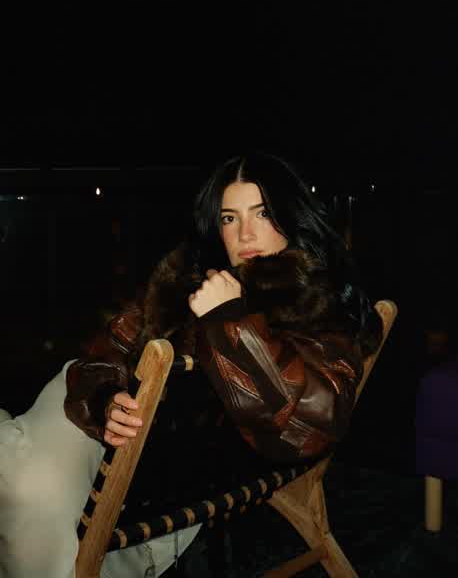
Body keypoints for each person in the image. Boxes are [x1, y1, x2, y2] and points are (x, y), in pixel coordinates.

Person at [0, 152, 382, 578]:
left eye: (262, 213)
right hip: (87, 420)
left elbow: (311, 426)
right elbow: (100, 356)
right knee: (28, 489)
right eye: (230, 218)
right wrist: (106, 399)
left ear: (292, 217)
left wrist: (228, 320)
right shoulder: (184, 284)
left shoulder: (317, 300)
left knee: (27, 495)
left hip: (153, 473)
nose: (246, 233)